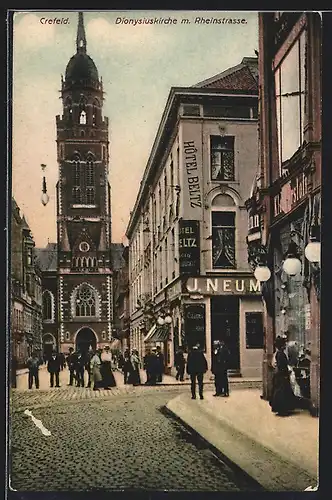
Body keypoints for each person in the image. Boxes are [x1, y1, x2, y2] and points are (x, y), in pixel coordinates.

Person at [269, 336, 297, 416]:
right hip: (282, 376)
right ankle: (283, 409)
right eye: (284, 344)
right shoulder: (281, 354)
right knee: (282, 393)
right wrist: (287, 372)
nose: (285, 345)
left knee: (281, 392)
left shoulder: (279, 353)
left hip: (280, 375)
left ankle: (282, 409)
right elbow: (282, 366)